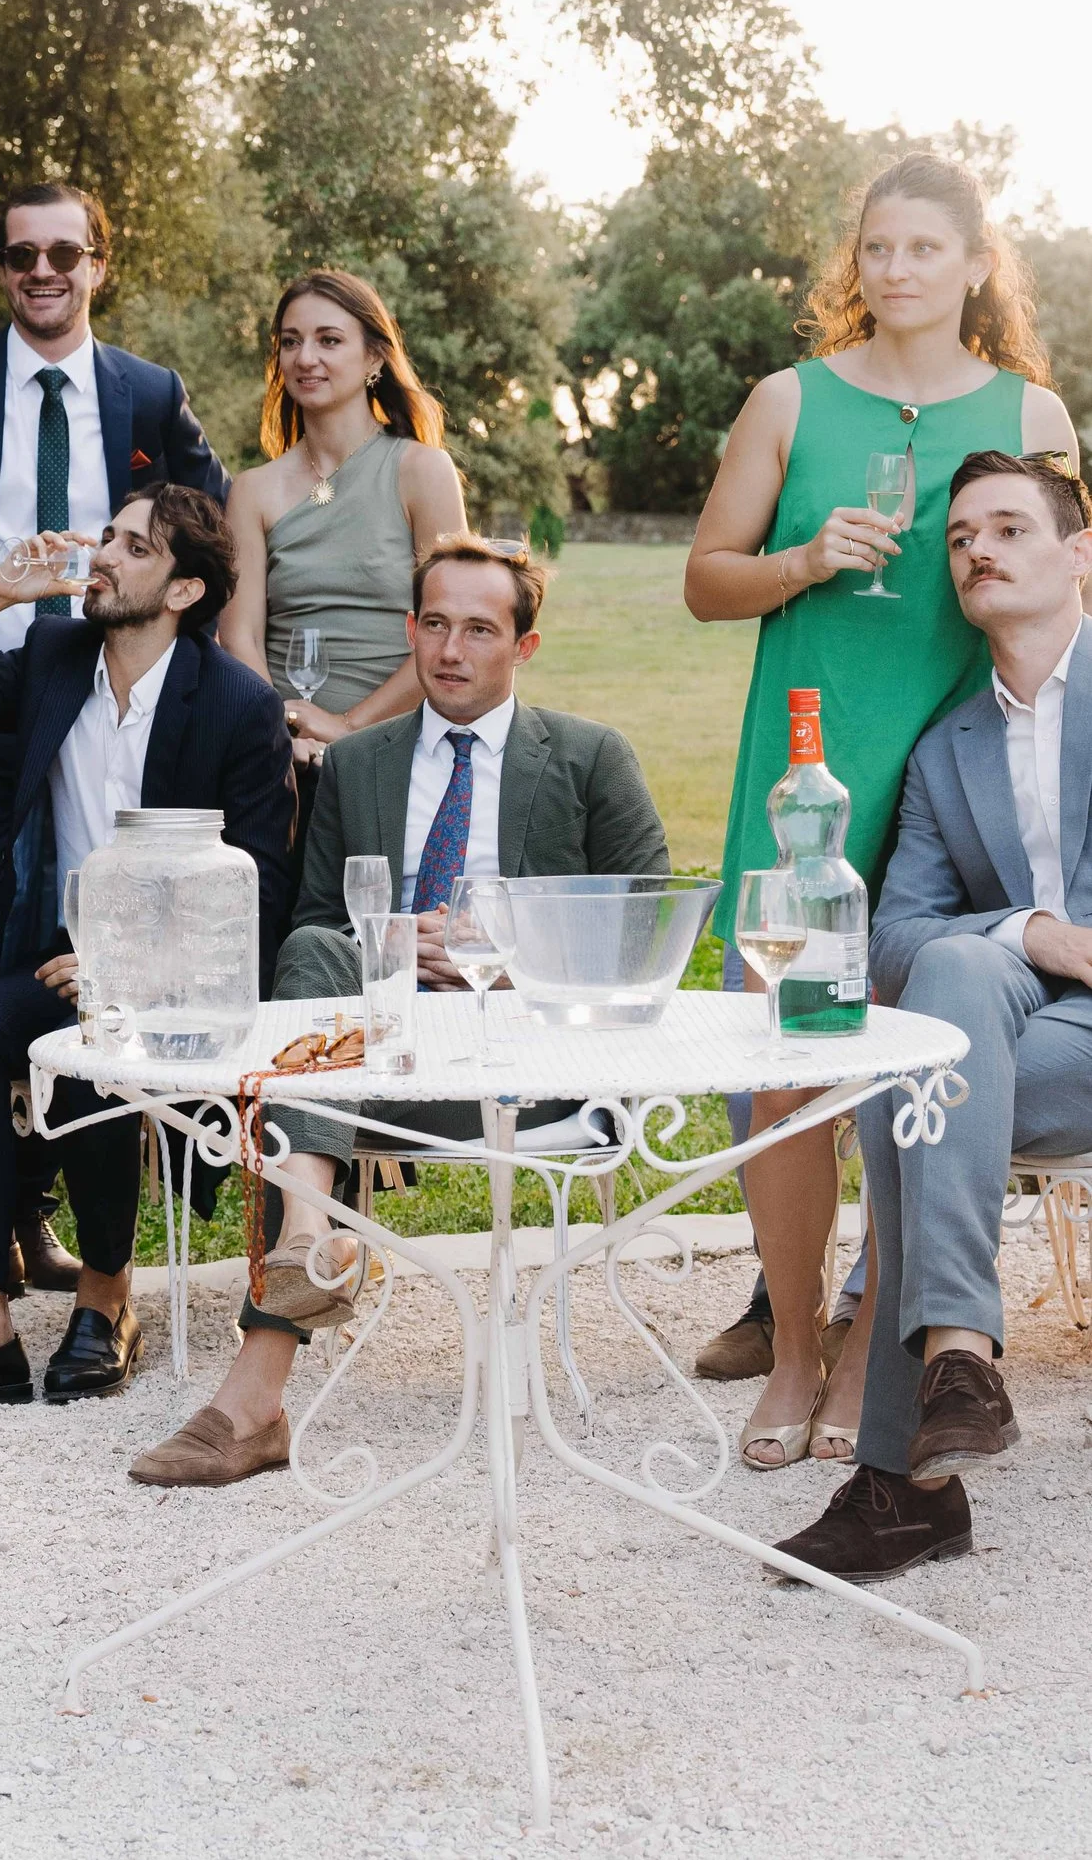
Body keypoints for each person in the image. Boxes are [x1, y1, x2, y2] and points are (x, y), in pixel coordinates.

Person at [685, 153, 1076, 1467]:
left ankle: (873, 1342)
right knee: (788, 1078)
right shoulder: (788, 401)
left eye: (924, 247)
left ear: (976, 266)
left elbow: (1061, 597)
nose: (895, 269)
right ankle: (794, 1348)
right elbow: (703, 579)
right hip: (803, 782)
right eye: (878, 248)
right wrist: (802, 559)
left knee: (917, 1067)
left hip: (958, 804)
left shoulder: (1031, 411)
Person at [130, 536, 667, 1487]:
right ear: (409, 630)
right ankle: (305, 1240)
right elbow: (312, 933)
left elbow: (641, 939)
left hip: (530, 1077)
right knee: (314, 951)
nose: (451, 648)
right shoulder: (360, 764)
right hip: (372, 1074)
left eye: (479, 628)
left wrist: (502, 952)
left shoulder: (589, 758)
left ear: (523, 647)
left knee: (307, 1045)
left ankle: (254, 1391)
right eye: (434, 623)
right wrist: (390, 943)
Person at [0, 181, 226, 1315]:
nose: (42, 270)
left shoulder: (148, 393)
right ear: (0, 267)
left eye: (64, 251)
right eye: (21, 253)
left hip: (93, 695)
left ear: (97, 264)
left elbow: (206, 528)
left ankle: (51, 1225)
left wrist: (180, 675)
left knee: (86, 957)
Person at [0, 485, 295, 1412]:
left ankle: (107, 1298)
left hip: (179, 967)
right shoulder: (54, 655)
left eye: (133, 548)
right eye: (108, 536)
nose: (102, 555)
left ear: (183, 590)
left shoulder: (235, 704)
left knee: (103, 1035)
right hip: (60, 944)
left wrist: (131, 964)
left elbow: (254, 886)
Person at [776, 452, 1092, 1584]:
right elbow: (894, 939)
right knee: (947, 986)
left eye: (1009, 527)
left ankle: (900, 1487)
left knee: (916, 1083)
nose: (978, 550)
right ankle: (960, 1352)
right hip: (1021, 1029)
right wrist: (1036, 932)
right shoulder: (945, 749)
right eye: (960, 536)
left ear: (1079, 552)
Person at [215, 271, 468, 767]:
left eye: (329, 340)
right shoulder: (252, 490)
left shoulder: (423, 471)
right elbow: (238, 636)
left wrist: (348, 727)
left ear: (374, 356)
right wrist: (279, 734)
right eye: (291, 342)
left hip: (403, 745)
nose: (305, 358)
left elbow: (450, 631)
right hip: (282, 755)